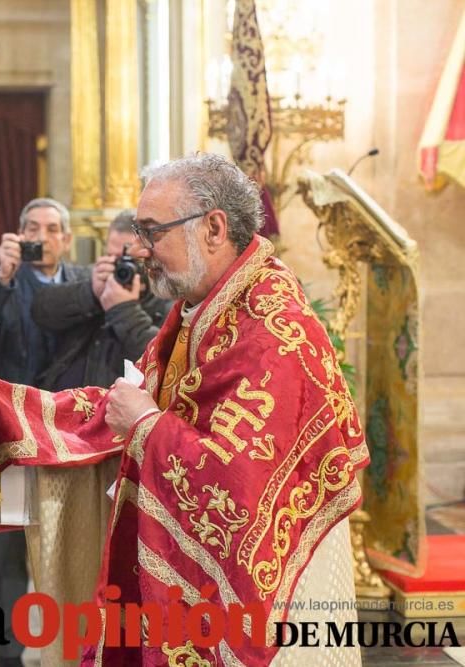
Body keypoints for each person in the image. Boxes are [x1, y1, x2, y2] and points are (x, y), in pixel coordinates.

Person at [91, 153, 366, 665]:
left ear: (213, 228)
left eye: (153, 232)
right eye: (138, 230)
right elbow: (152, 396)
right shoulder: (204, 307)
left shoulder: (272, 332)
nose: (141, 249)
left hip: (284, 593)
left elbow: (239, 483)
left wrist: (147, 427)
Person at [0, 197, 84, 667]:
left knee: (69, 543)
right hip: (12, 436)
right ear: (17, 235)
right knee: (7, 550)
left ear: (67, 239)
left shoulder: (83, 283)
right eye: (32, 228)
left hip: (72, 439)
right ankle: (7, 654)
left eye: (52, 228)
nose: (42, 236)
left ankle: (69, 647)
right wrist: (2, 278)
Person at [32, 210, 170, 391]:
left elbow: (164, 360)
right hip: (61, 399)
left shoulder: (168, 297)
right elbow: (41, 309)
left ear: (149, 256)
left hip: (112, 407)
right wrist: (91, 294)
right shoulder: (94, 277)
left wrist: (124, 309)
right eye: (112, 257)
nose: (119, 267)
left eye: (129, 260)